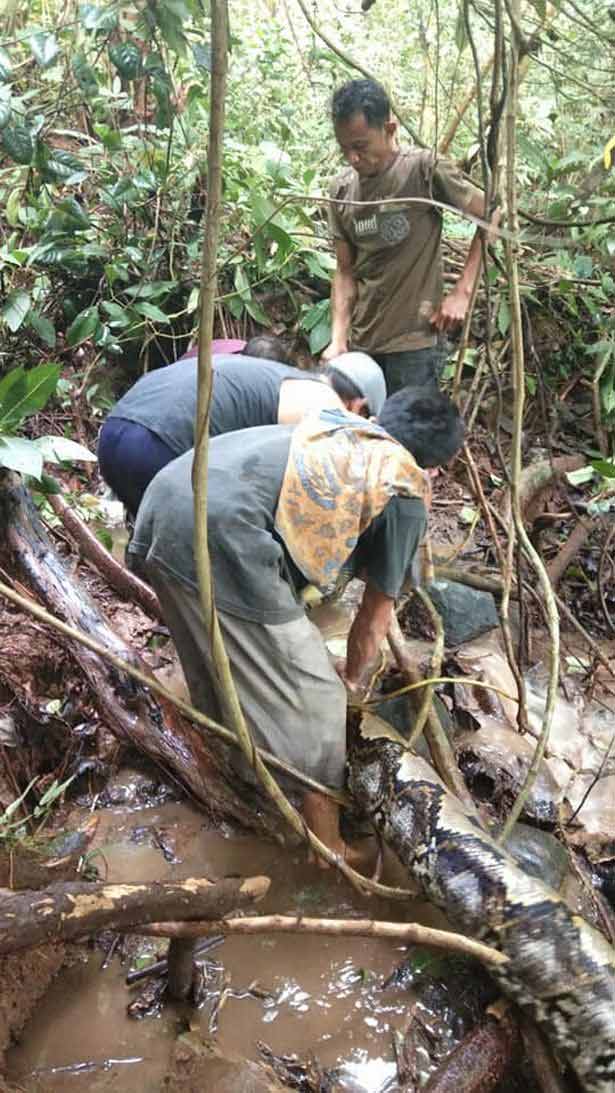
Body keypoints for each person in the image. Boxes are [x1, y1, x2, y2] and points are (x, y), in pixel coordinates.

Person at [128, 387, 464, 865]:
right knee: (318, 698)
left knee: (217, 658)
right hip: (220, 527)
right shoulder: (402, 486)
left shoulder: (342, 429)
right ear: (436, 465)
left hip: (166, 494)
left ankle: (237, 775)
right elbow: (373, 618)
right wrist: (349, 682)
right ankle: (327, 844)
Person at [322, 78, 500, 394]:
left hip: (415, 343)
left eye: (360, 146)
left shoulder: (423, 170)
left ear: (389, 130)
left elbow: (493, 213)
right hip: (362, 345)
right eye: (345, 148)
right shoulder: (341, 191)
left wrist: (463, 290)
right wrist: (338, 338)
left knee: (408, 439)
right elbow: (345, 272)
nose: (352, 158)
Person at [98, 336, 386, 517]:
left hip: (113, 432)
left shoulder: (281, 377)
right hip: (159, 445)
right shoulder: (325, 405)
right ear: (358, 407)